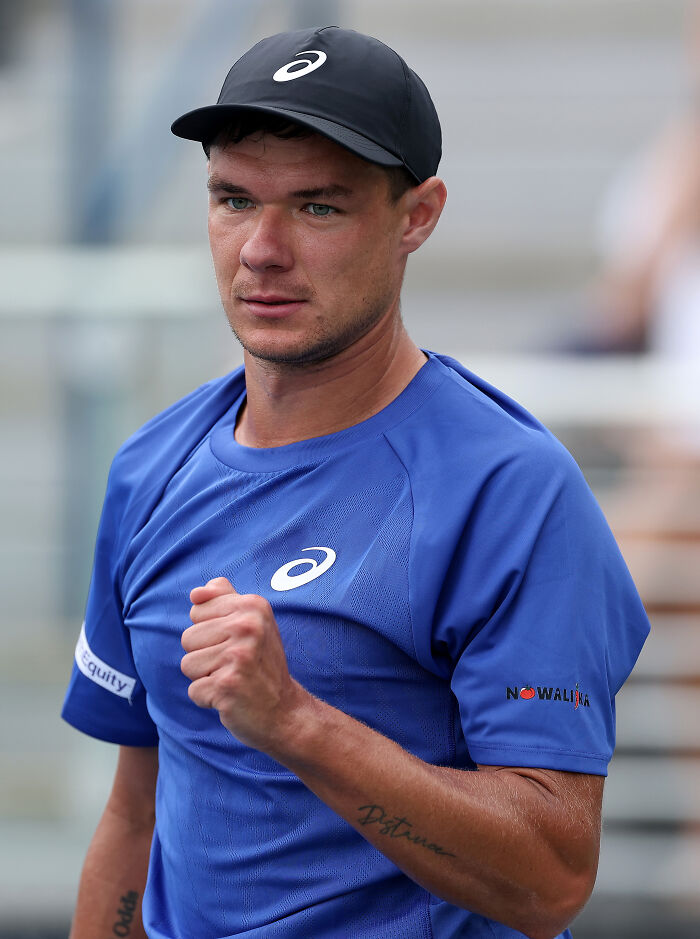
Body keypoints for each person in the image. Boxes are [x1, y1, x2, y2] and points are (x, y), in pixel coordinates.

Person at [61, 26, 650, 939]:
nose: (261, 249)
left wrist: (296, 720)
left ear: (416, 214)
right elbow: (135, 814)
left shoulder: (512, 489)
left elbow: (550, 880)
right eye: (232, 199)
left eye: (317, 208)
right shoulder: (151, 466)